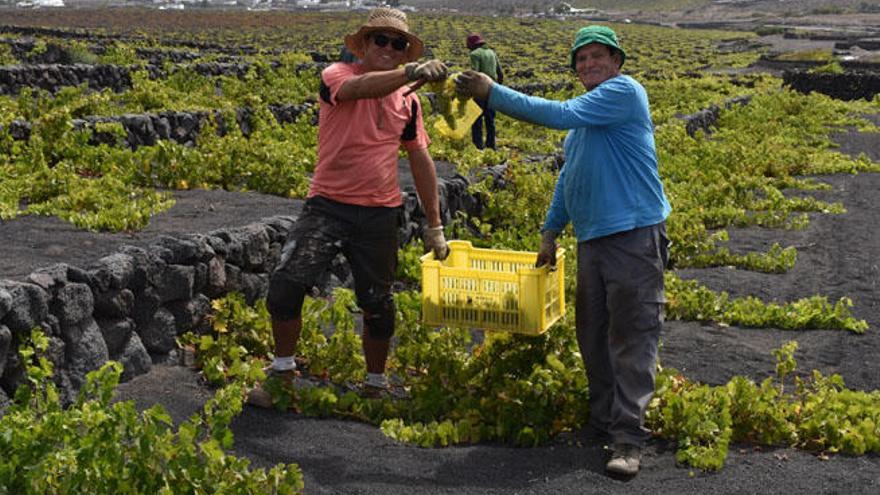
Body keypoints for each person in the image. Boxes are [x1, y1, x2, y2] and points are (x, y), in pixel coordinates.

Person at [455, 25, 671, 477]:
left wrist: (492, 92)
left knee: (632, 336)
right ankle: (602, 418)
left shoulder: (624, 93)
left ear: (616, 62)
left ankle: (628, 438)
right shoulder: (583, 129)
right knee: (591, 333)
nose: (589, 64)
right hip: (592, 239)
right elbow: (567, 181)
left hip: (633, 234)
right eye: (581, 59)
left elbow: (556, 112)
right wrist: (550, 232)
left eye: (597, 56)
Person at [248, 7, 450, 406]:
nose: (390, 48)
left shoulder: (409, 104)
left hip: (379, 212)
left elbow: (420, 157)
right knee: (286, 285)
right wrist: (411, 73)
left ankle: (375, 385)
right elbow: (362, 90)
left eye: (399, 44)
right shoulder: (337, 76)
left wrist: (435, 224)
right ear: (364, 45)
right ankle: (282, 375)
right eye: (382, 40)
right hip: (327, 205)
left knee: (378, 302)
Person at [466, 33, 502, 150]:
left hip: (480, 91)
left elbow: (475, 73)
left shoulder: (474, 54)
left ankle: (478, 145)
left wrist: (469, 90)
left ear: (471, 45)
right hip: (493, 89)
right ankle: (491, 145)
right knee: (490, 119)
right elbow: (500, 72)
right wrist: (498, 88)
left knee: (477, 118)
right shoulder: (492, 52)